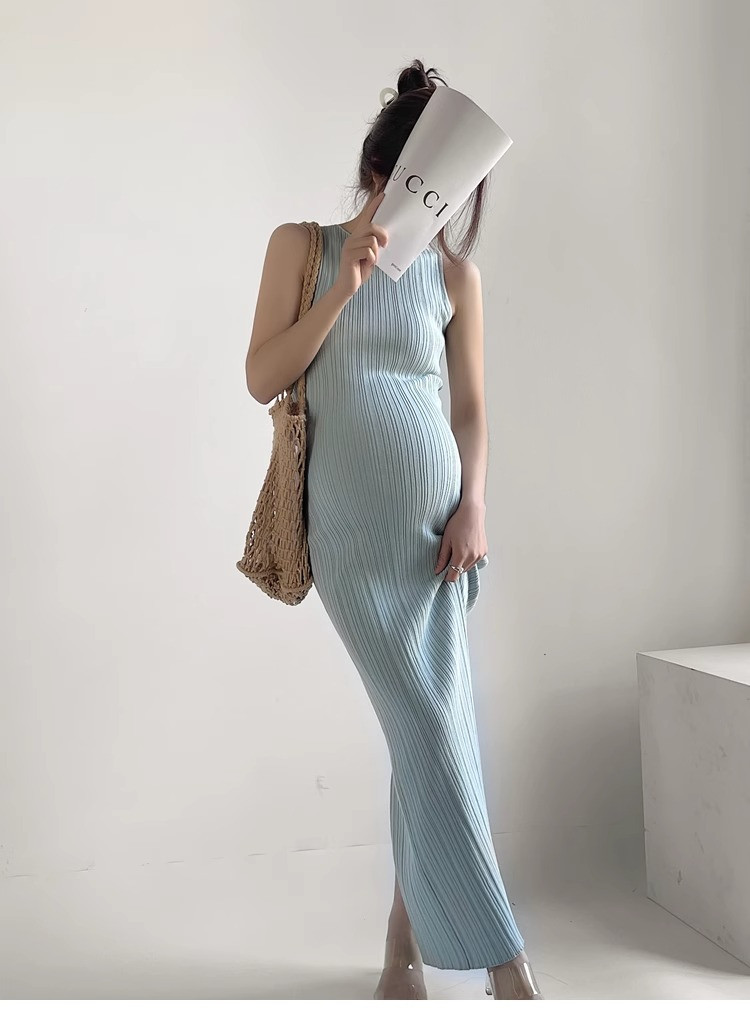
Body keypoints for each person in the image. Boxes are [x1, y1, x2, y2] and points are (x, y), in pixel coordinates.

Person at [245, 58, 542, 1002]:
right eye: (417, 184)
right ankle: (506, 965)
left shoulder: (456, 276)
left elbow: (471, 410)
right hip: (350, 528)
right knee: (430, 730)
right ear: (380, 169)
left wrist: (475, 503)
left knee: (430, 733)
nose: (431, 206)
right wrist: (342, 288)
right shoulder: (303, 248)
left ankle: (400, 952)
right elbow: (262, 377)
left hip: (442, 534)